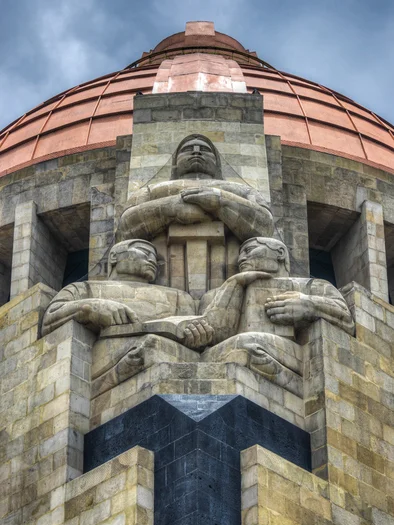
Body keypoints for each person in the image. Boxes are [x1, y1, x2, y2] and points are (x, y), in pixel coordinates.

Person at [42, 239, 212, 397]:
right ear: (114, 257)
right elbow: (50, 319)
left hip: (174, 354)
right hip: (114, 357)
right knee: (153, 346)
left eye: (155, 257)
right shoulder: (84, 289)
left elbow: (192, 327)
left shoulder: (179, 297)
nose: (153, 259)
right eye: (144, 252)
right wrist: (89, 308)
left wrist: (198, 336)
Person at [197, 237, 355, 396]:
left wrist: (308, 304)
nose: (241, 259)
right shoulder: (218, 294)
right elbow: (212, 333)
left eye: (249, 250)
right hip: (240, 348)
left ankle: (307, 391)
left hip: (295, 353)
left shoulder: (312, 285)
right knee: (209, 356)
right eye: (240, 254)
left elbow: (347, 320)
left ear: (279, 253)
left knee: (246, 345)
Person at [117, 134, 274, 243]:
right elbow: (125, 228)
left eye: (204, 150)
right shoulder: (150, 190)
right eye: (188, 149)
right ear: (175, 163)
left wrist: (221, 201)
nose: (196, 152)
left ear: (217, 163)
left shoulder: (243, 190)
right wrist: (170, 207)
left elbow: (266, 225)